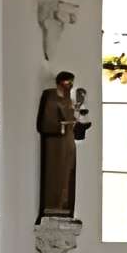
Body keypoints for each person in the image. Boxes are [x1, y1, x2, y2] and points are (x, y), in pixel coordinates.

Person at [38, 73, 90, 219]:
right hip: (56, 146)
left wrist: (78, 124)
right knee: (57, 176)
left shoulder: (68, 100)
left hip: (68, 143)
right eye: (68, 83)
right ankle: (55, 206)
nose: (70, 86)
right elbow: (46, 123)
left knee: (68, 176)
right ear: (60, 83)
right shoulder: (51, 97)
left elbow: (71, 120)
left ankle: (64, 205)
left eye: (72, 83)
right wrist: (63, 126)